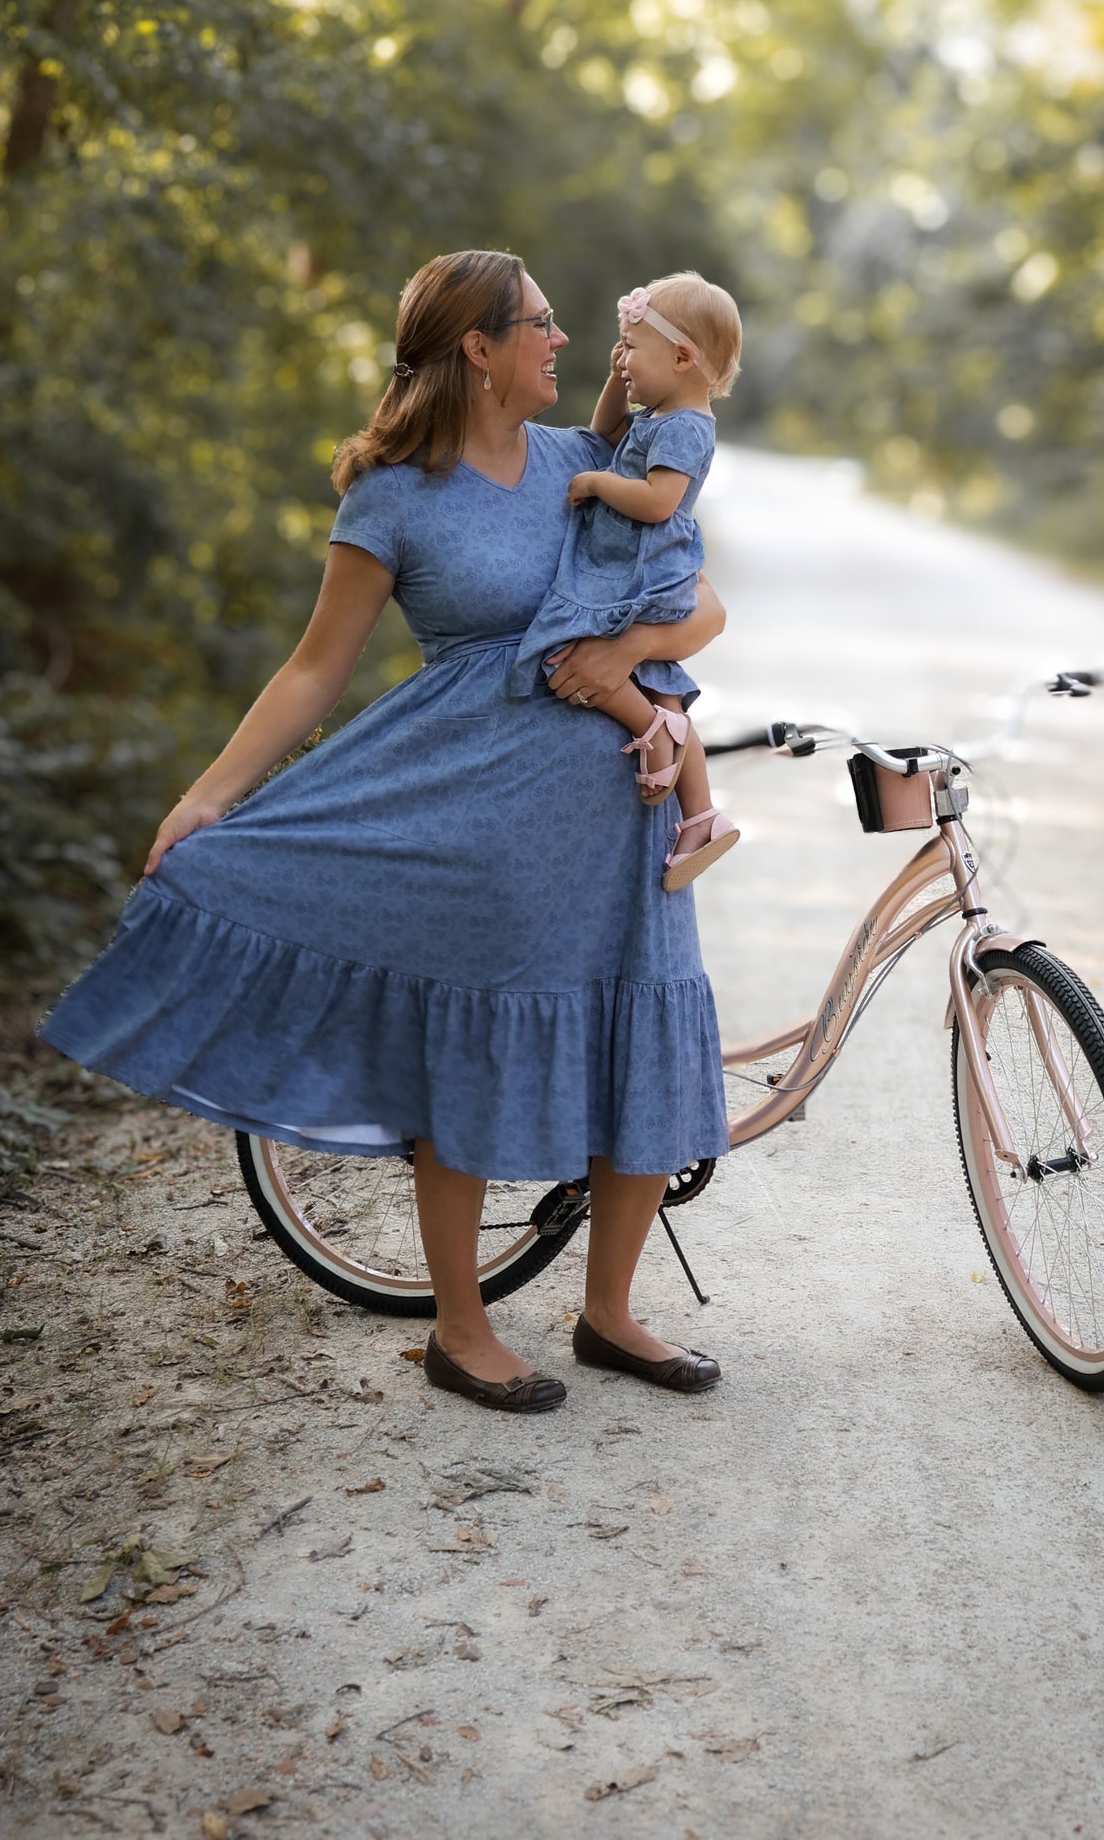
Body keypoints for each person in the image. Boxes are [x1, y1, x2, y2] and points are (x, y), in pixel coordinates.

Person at [40, 249, 728, 1413]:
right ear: (480, 345)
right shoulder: (394, 494)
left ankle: (609, 1311)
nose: (564, 343)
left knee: (642, 1033)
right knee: (466, 1043)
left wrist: (625, 664)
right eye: (542, 324)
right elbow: (316, 668)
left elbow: (695, 598)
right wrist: (209, 795)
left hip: (622, 814)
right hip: (468, 821)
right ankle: (461, 1330)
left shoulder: (586, 463)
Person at [509, 272, 741, 891]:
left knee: (566, 650)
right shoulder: (659, 414)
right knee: (664, 686)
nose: (624, 361)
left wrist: (594, 485)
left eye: (632, 349)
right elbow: (605, 432)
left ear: (683, 357)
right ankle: (701, 815)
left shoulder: (686, 428)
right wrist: (616, 381)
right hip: (636, 568)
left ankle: (649, 730)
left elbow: (658, 500)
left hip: (644, 572)